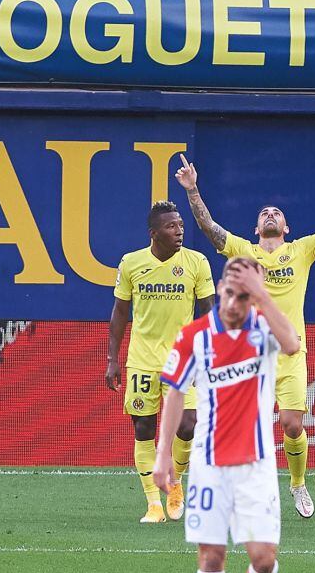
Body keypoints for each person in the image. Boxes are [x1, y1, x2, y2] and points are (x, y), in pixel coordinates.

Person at [176, 153, 315, 518]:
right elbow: (210, 226)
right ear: (256, 229)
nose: (270, 215)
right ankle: (183, 484)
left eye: (276, 213)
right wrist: (193, 190)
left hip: (290, 354)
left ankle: (297, 484)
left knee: (292, 424)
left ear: (287, 227)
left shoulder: (302, 250)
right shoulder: (245, 251)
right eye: (265, 214)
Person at [154, 257, 301, 573]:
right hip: (209, 464)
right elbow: (176, 393)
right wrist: (162, 454)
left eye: (244, 296)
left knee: (264, 560)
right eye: (230, 293)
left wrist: (262, 296)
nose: (234, 303)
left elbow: (291, 344)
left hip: (256, 464)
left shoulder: (264, 327)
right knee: (211, 560)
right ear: (219, 288)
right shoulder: (195, 336)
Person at [105, 200, 215, 523]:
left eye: (180, 225)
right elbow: (120, 313)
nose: (179, 231)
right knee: (144, 427)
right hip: (141, 358)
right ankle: (153, 504)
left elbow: (208, 311)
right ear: (154, 234)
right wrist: (113, 358)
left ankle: (175, 480)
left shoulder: (196, 263)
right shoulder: (132, 263)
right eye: (171, 226)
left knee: (188, 424)